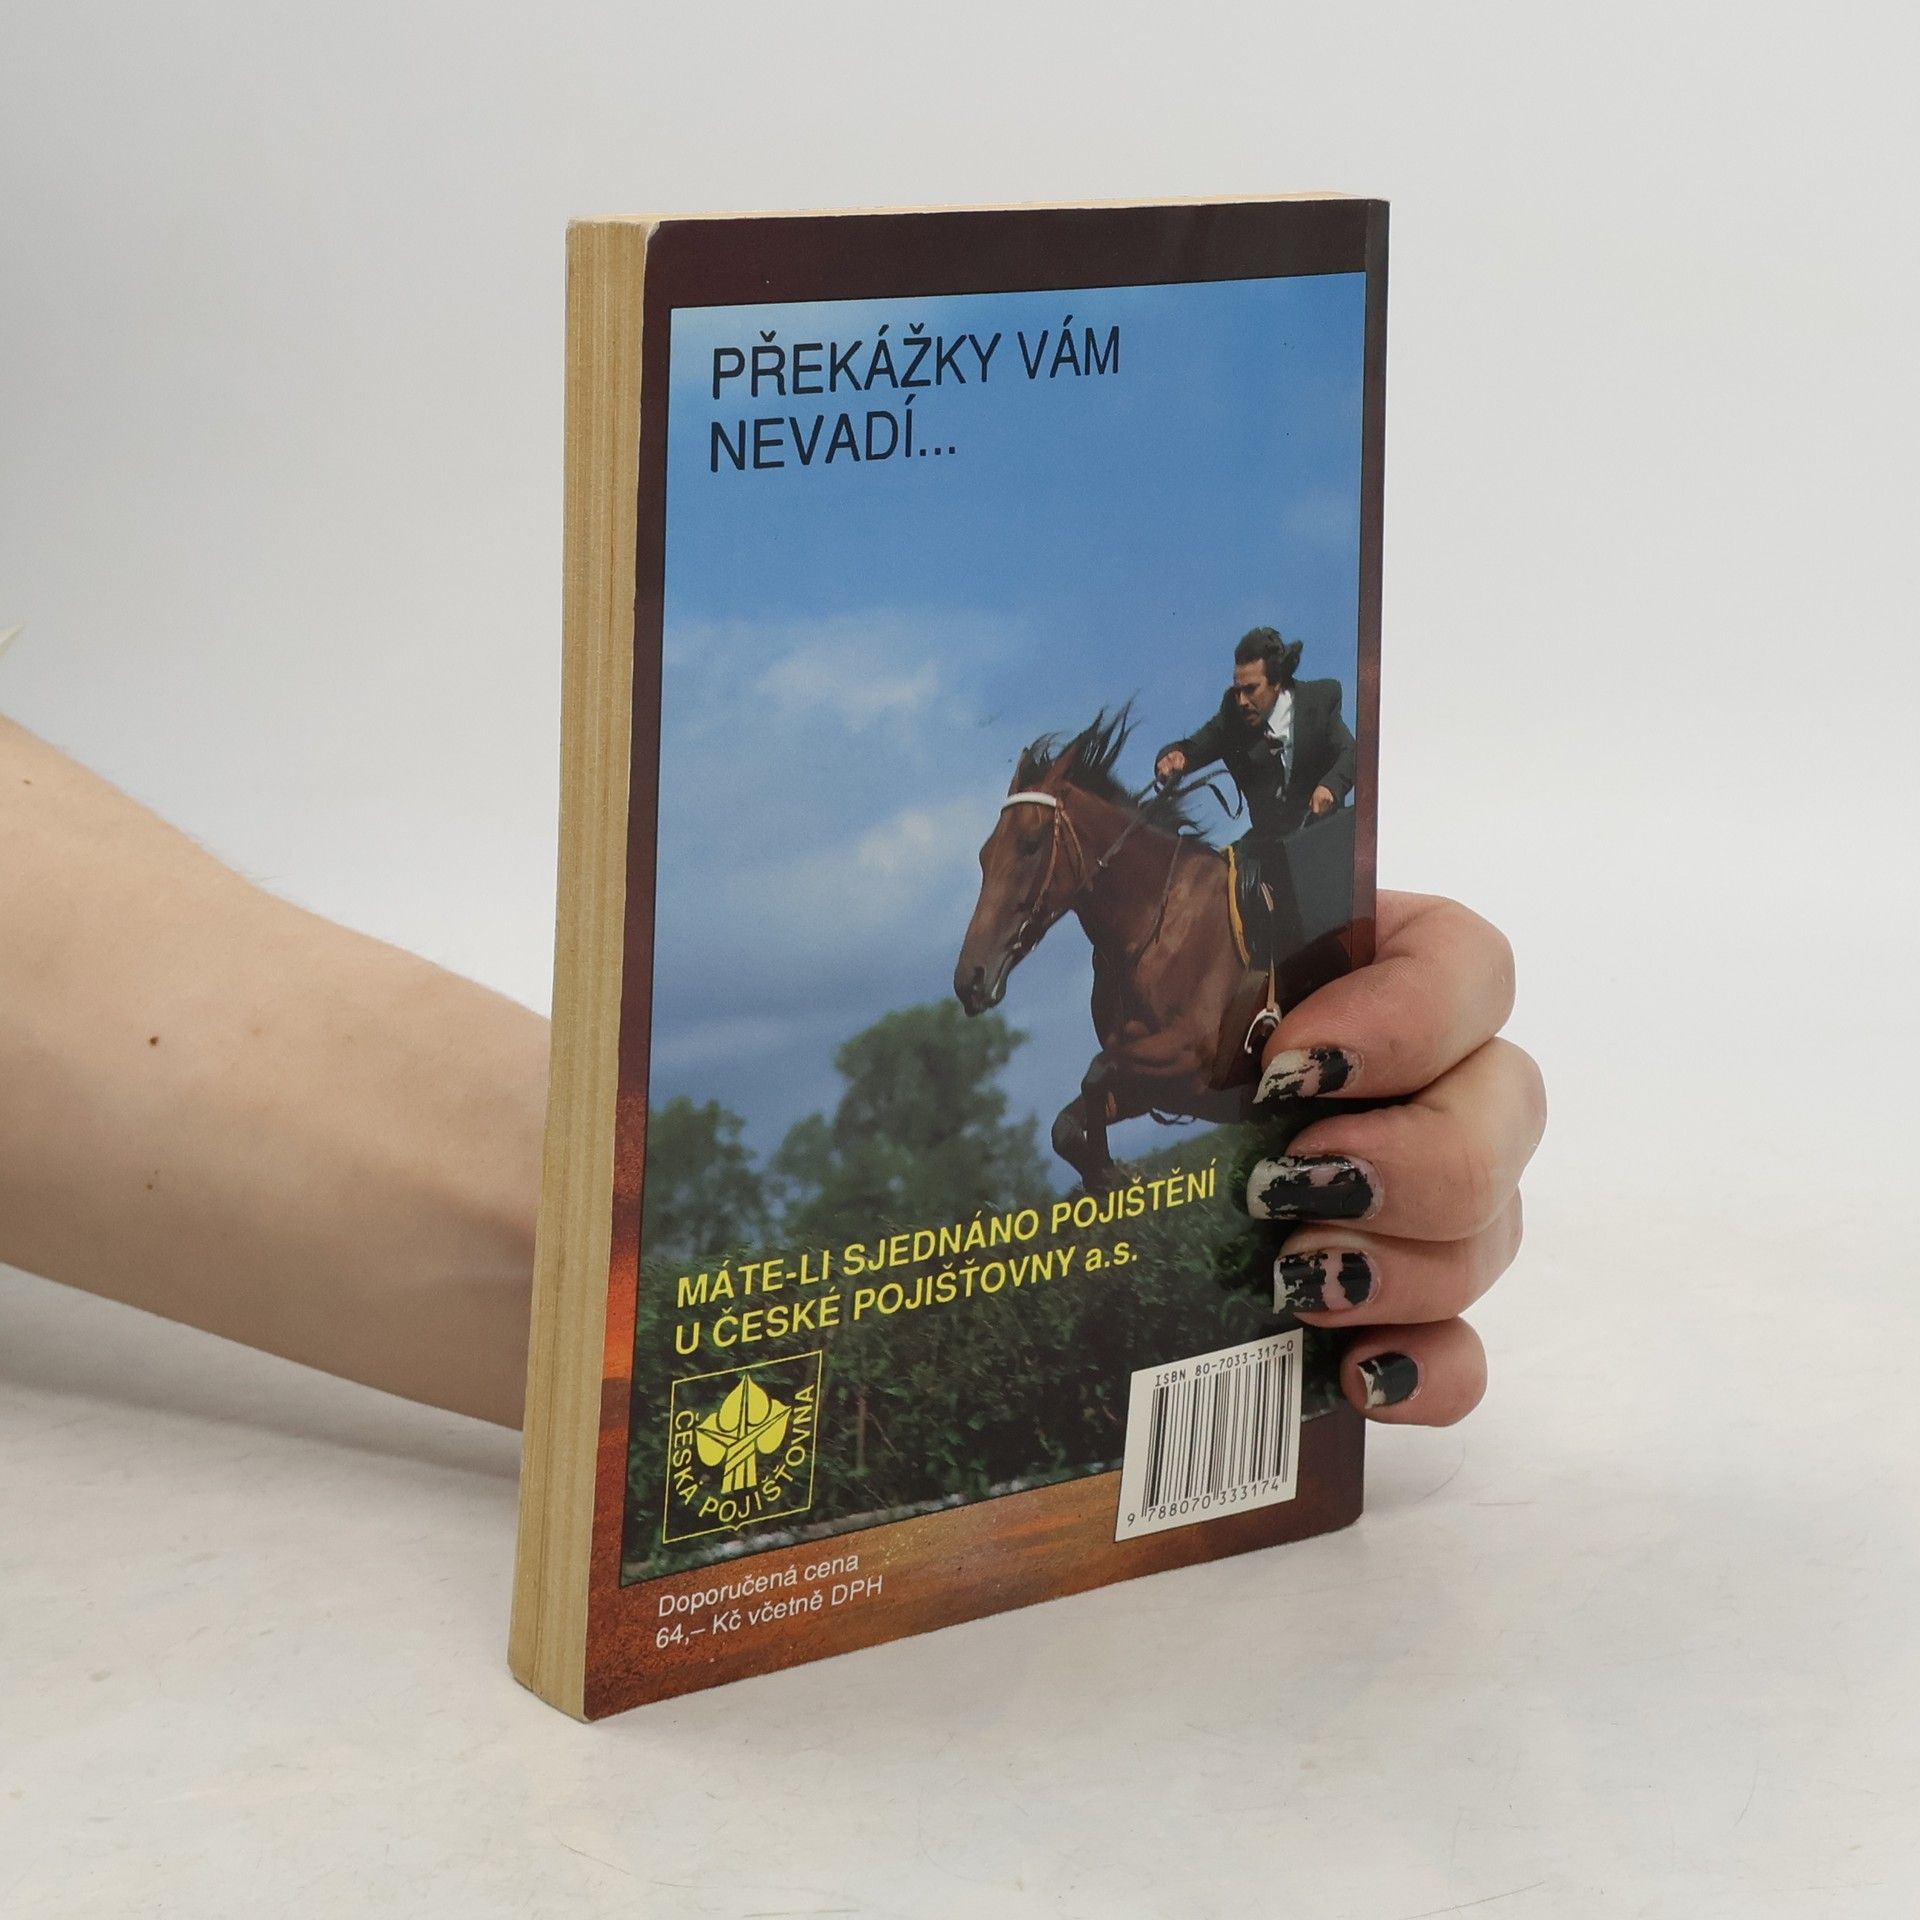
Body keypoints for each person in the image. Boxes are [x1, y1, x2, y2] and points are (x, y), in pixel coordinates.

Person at [0, 713, 1544, 1428]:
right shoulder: (1210, 727)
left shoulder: (1294, 719)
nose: (1249, 698)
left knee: (1281, 897)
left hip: (1259, 842)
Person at [1154, 625, 1356, 839]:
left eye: (1251, 689)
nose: (1242, 701)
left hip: (1324, 838)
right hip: (1268, 847)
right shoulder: (1232, 716)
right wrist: (1173, 757)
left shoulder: (1319, 700)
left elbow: (1352, 752)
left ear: (1276, 682)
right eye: (1237, 690)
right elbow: (1191, 749)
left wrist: (1331, 787)